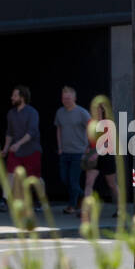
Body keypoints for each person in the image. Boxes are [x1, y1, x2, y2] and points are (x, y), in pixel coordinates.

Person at [0, 86, 43, 213]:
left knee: (35, 178)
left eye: (15, 95)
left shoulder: (32, 112)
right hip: (15, 150)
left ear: (22, 97)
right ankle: (4, 201)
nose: (12, 98)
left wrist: (19, 144)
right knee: (10, 174)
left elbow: (32, 132)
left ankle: (40, 201)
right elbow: (9, 133)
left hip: (32, 150)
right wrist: (5, 149)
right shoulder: (11, 113)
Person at [54, 86, 91, 215]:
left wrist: (88, 147)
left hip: (79, 152)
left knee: (73, 180)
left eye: (68, 98)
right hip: (64, 152)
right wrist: (59, 147)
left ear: (74, 98)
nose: (66, 100)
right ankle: (84, 198)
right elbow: (59, 129)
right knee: (65, 179)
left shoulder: (82, 113)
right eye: (64, 98)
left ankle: (72, 205)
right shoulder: (60, 112)